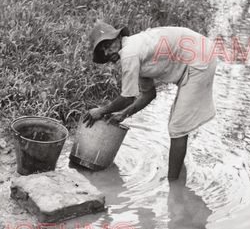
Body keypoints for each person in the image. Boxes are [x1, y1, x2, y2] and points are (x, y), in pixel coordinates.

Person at [84, 23, 218, 180]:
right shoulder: (135, 52)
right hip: (197, 52)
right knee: (178, 125)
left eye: (108, 45)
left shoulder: (129, 54)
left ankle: (173, 186)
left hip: (199, 57)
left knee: (178, 127)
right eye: (103, 51)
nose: (108, 52)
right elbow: (149, 94)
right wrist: (123, 115)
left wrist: (101, 111)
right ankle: (178, 177)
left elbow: (127, 98)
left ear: (118, 38)